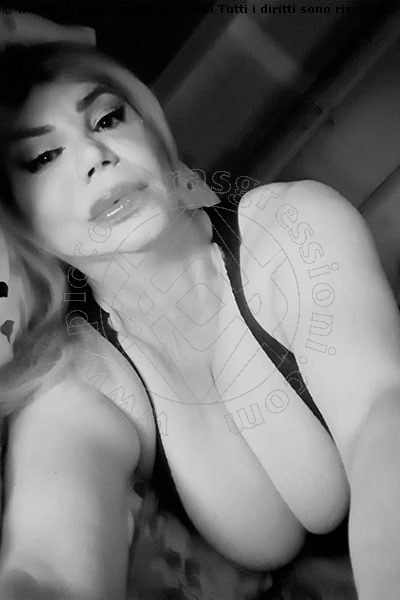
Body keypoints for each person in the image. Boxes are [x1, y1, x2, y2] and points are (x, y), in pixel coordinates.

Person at [0, 23, 399, 600]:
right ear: (19, 222)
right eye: (43, 156)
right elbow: (50, 557)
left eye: (108, 119)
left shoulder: (290, 230)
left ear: (152, 130)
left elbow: (382, 415)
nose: (94, 155)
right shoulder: (79, 382)